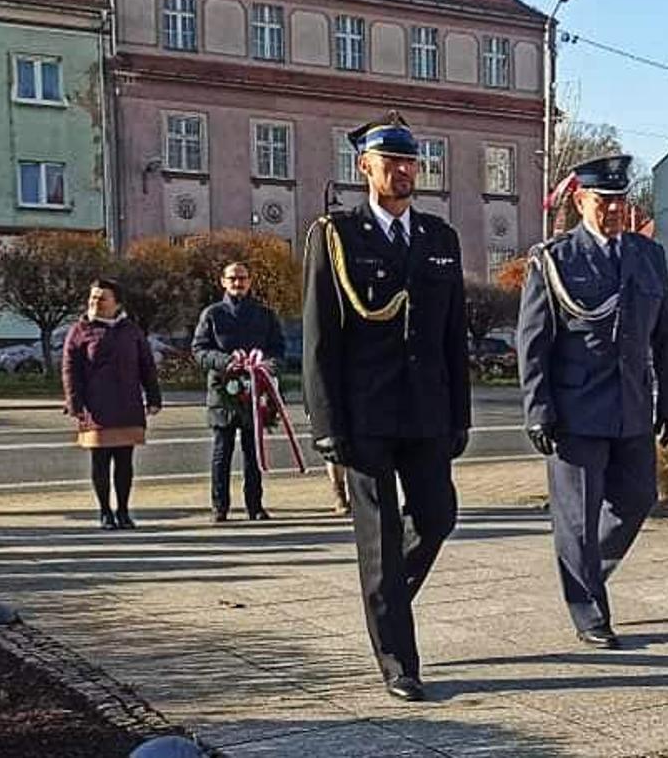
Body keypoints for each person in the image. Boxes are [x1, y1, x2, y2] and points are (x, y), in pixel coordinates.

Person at [302, 113, 473, 702]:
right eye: (390, 162)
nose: (403, 172)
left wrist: (460, 416)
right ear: (364, 168)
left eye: (410, 162)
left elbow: (455, 337)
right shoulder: (336, 236)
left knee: (437, 519)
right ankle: (399, 659)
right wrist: (326, 424)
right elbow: (320, 336)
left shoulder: (439, 239)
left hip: (427, 411)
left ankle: (385, 597)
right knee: (377, 537)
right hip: (366, 415)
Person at [517, 154, 668, 649]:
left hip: (632, 407)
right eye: (603, 200)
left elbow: (666, 336)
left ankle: (584, 573)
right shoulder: (555, 259)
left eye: (620, 200)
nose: (614, 210)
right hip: (576, 411)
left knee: (637, 499)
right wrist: (538, 408)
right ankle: (589, 610)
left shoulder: (647, 256)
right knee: (578, 517)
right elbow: (534, 340)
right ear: (580, 200)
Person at [61, 279, 162, 531]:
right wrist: (75, 403)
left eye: (102, 298)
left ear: (116, 303)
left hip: (127, 404)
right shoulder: (80, 330)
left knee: (125, 461)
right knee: (101, 461)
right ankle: (105, 511)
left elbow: (146, 366)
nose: (95, 302)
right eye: (92, 297)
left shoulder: (130, 330)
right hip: (96, 407)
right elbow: (69, 370)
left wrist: (153, 397)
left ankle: (124, 511)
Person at [191, 262, 285, 523]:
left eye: (242, 278)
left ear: (250, 281)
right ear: (223, 281)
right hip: (223, 391)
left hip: (256, 391)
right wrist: (224, 362)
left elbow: (278, 350)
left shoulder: (264, 314)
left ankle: (255, 506)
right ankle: (219, 507)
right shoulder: (213, 314)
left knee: (253, 452)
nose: (237, 283)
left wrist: (268, 365)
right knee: (222, 451)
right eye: (232, 278)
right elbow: (199, 350)